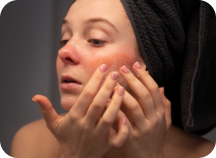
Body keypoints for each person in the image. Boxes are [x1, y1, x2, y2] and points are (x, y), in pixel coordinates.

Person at [10, 0, 215, 158]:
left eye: (96, 40)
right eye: (65, 38)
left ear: (149, 62)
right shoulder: (32, 144)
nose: (64, 51)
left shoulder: (201, 154)